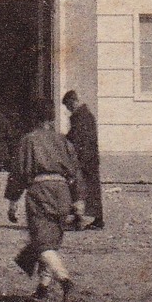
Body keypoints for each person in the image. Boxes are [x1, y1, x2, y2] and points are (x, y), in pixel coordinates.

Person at [4, 100, 85, 302]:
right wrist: (78, 201)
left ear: (33, 118)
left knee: (42, 243)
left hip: (41, 191)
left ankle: (66, 282)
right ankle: (43, 287)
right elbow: (75, 171)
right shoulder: (63, 141)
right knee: (51, 241)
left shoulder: (28, 141)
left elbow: (19, 172)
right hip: (63, 191)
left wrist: (13, 202)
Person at [61, 90, 103, 230]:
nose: (68, 109)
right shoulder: (85, 115)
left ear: (73, 102)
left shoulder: (81, 117)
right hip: (89, 157)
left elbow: (78, 138)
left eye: (68, 106)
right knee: (91, 189)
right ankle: (96, 219)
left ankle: (80, 219)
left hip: (84, 158)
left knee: (79, 188)